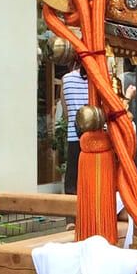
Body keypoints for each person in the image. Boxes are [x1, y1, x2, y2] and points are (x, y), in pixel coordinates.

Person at [61, 60, 88, 196]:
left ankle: (71, 216)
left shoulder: (66, 79)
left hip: (74, 135)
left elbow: (66, 112)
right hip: (95, 137)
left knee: (72, 183)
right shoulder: (98, 78)